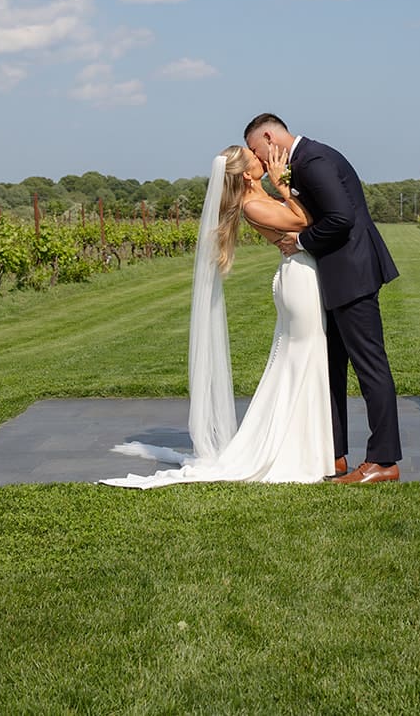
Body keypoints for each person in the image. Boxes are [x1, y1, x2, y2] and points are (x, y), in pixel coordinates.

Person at [102, 143, 334, 487]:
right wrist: (283, 187)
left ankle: (308, 446)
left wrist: (276, 186)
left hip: (301, 275)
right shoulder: (252, 204)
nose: (261, 158)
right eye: (254, 158)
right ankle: (292, 450)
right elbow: (303, 220)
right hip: (298, 279)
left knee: (300, 359)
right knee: (301, 358)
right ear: (245, 174)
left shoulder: (258, 195)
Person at [244, 113, 402, 484]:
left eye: (256, 150)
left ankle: (383, 460)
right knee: (331, 368)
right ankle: (332, 453)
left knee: (370, 367)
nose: (260, 161)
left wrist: (298, 241)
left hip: (352, 274)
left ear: (269, 137)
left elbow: (340, 219)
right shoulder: (302, 162)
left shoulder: (312, 161)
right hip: (334, 278)